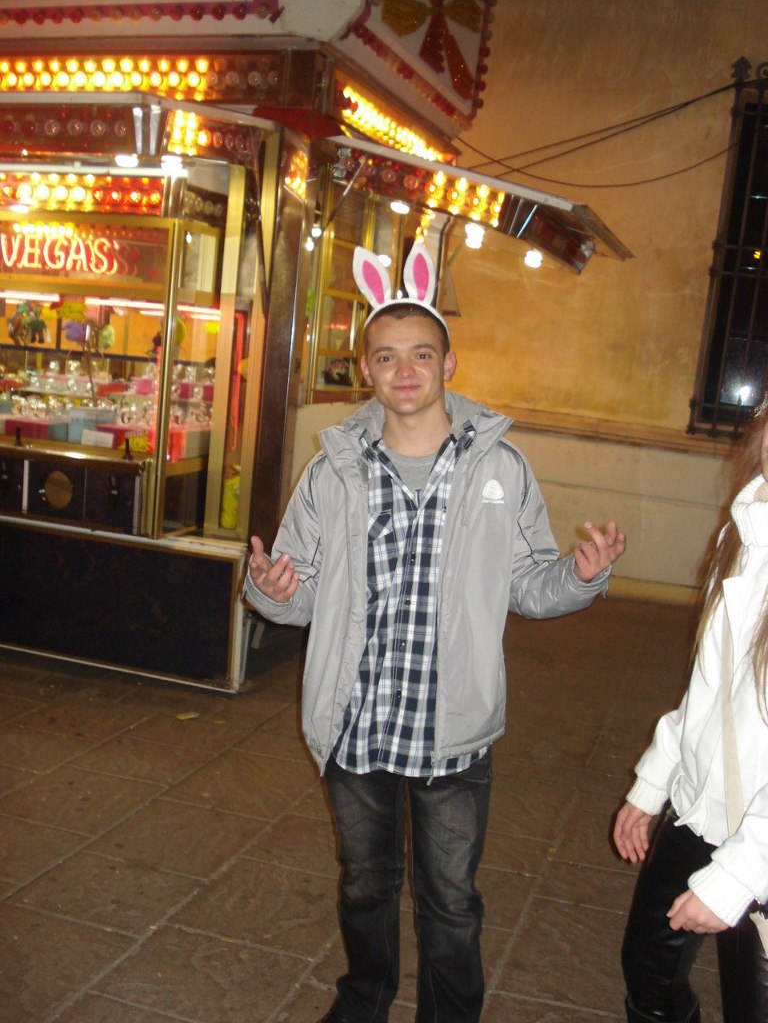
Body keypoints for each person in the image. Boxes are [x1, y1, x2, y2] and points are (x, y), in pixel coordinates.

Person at [244, 243, 626, 1023]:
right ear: (367, 370)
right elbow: (297, 589)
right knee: (364, 883)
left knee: (451, 899)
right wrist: (269, 590)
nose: (405, 370)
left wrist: (580, 576)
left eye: (422, 353)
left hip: (452, 731)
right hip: (356, 724)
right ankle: (365, 998)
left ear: (449, 364)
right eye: (387, 356)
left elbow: (530, 583)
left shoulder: (500, 469)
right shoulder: (332, 471)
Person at [613, 398, 768, 1023]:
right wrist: (653, 785)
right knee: (647, 971)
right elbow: (708, 690)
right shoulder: (745, 533)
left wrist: (736, 877)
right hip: (704, 810)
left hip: (759, 842)